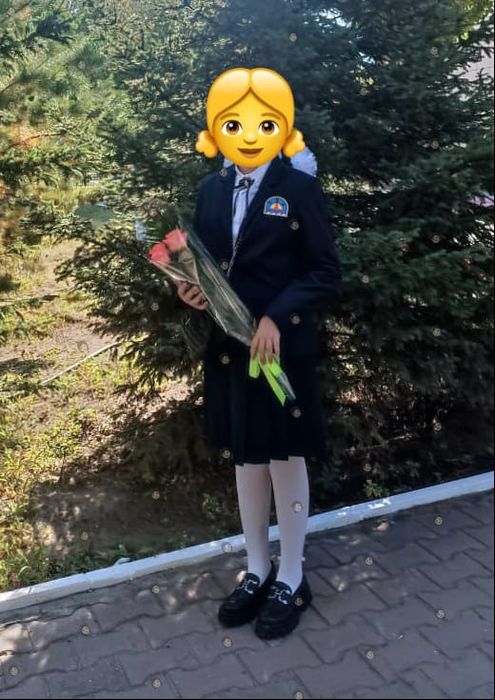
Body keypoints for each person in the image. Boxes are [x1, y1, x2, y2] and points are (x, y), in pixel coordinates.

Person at [177, 67, 342, 639]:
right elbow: (204, 264)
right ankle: (257, 568)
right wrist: (189, 290)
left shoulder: (298, 189)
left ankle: (292, 575)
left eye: (263, 123)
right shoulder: (211, 190)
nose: (248, 135)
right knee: (246, 457)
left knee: (284, 457)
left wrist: (277, 315)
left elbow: (324, 270)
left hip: (278, 352)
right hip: (230, 350)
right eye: (234, 123)